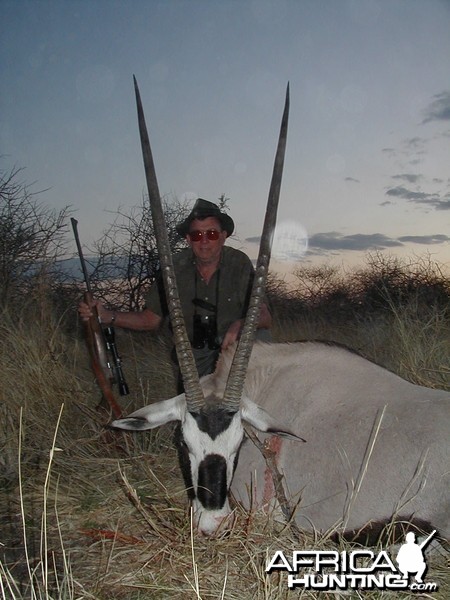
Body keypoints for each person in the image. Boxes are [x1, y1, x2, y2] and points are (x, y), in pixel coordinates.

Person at [78, 198, 272, 382]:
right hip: (196, 356)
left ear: (223, 236)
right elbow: (150, 320)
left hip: (234, 348)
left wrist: (241, 325)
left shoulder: (239, 263)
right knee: (198, 404)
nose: (204, 241)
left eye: (211, 234)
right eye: (196, 235)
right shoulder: (173, 269)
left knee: (259, 339)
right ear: (188, 239)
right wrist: (106, 315)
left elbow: (264, 316)